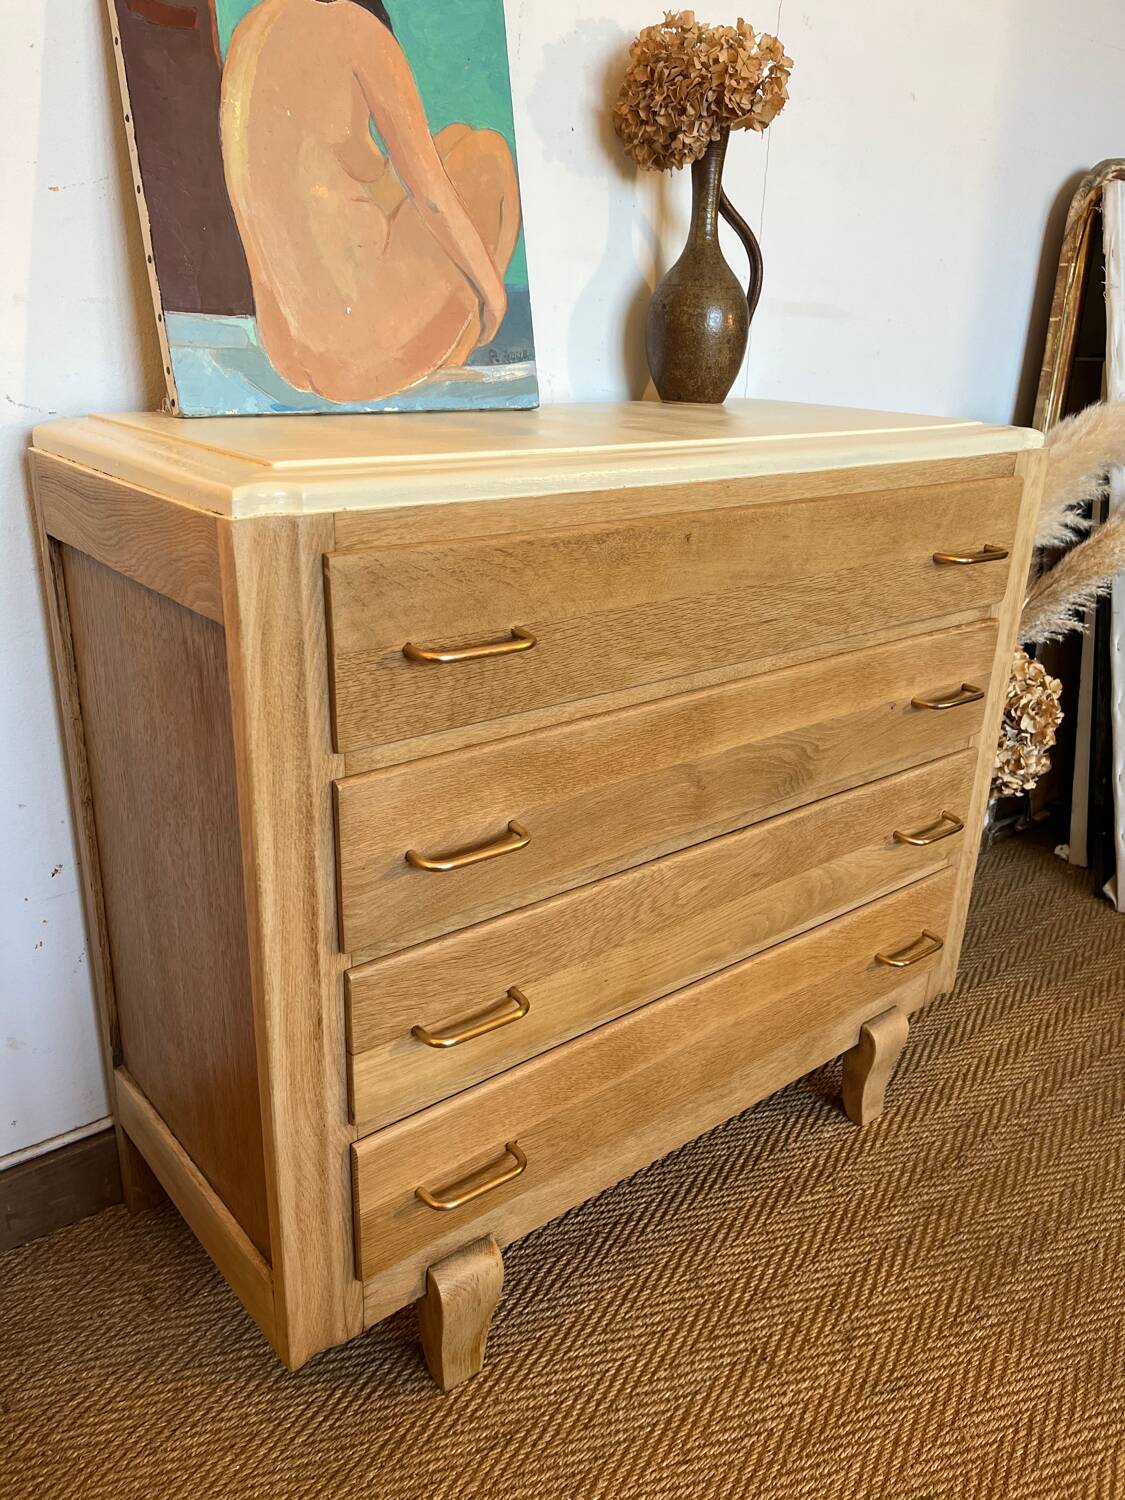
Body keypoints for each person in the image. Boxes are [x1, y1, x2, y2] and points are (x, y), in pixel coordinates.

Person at [220, 0, 520, 401]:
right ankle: (455, 354)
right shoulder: (355, 28)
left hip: (287, 350)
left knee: (454, 141)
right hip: (359, 355)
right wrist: (493, 294)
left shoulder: (250, 30)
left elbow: (356, 174)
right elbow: (431, 197)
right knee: (487, 154)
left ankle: (436, 353)